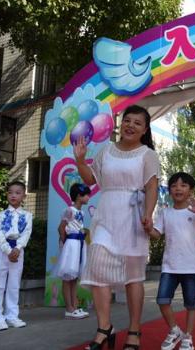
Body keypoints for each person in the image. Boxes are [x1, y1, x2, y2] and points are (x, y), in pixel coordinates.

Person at [74, 105, 160, 350]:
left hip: (132, 218)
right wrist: (79, 160)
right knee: (97, 267)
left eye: (137, 123)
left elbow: (151, 187)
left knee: (133, 277)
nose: (130, 125)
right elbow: (90, 180)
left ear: (144, 130)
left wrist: (148, 215)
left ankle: (134, 331)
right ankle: (105, 328)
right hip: (106, 215)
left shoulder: (147, 154)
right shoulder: (106, 150)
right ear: (121, 124)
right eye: (127, 120)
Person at [146, 172, 195, 350]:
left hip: (190, 267)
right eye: (174, 185)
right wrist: (147, 227)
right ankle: (175, 330)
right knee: (162, 300)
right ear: (169, 190)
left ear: (191, 191)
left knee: (191, 304)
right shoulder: (165, 213)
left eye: (183, 185)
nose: (178, 188)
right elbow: (156, 234)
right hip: (169, 266)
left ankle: (188, 337)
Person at [0, 181, 33, 331]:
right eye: (10, 192)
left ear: (24, 196)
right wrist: (8, 251)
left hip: (18, 251)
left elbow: (27, 232)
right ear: (7, 195)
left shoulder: (27, 215)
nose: (13, 195)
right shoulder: (1, 215)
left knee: (14, 284)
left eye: (17, 192)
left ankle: (12, 316)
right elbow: (0, 234)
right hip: (3, 251)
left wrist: (18, 248)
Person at [55, 183, 91, 320]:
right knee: (67, 277)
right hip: (71, 245)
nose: (88, 197)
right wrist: (66, 244)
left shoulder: (81, 212)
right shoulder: (69, 210)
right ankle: (69, 309)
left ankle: (74, 306)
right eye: (86, 195)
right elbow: (61, 227)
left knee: (74, 277)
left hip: (79, 244)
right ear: (78, 196)